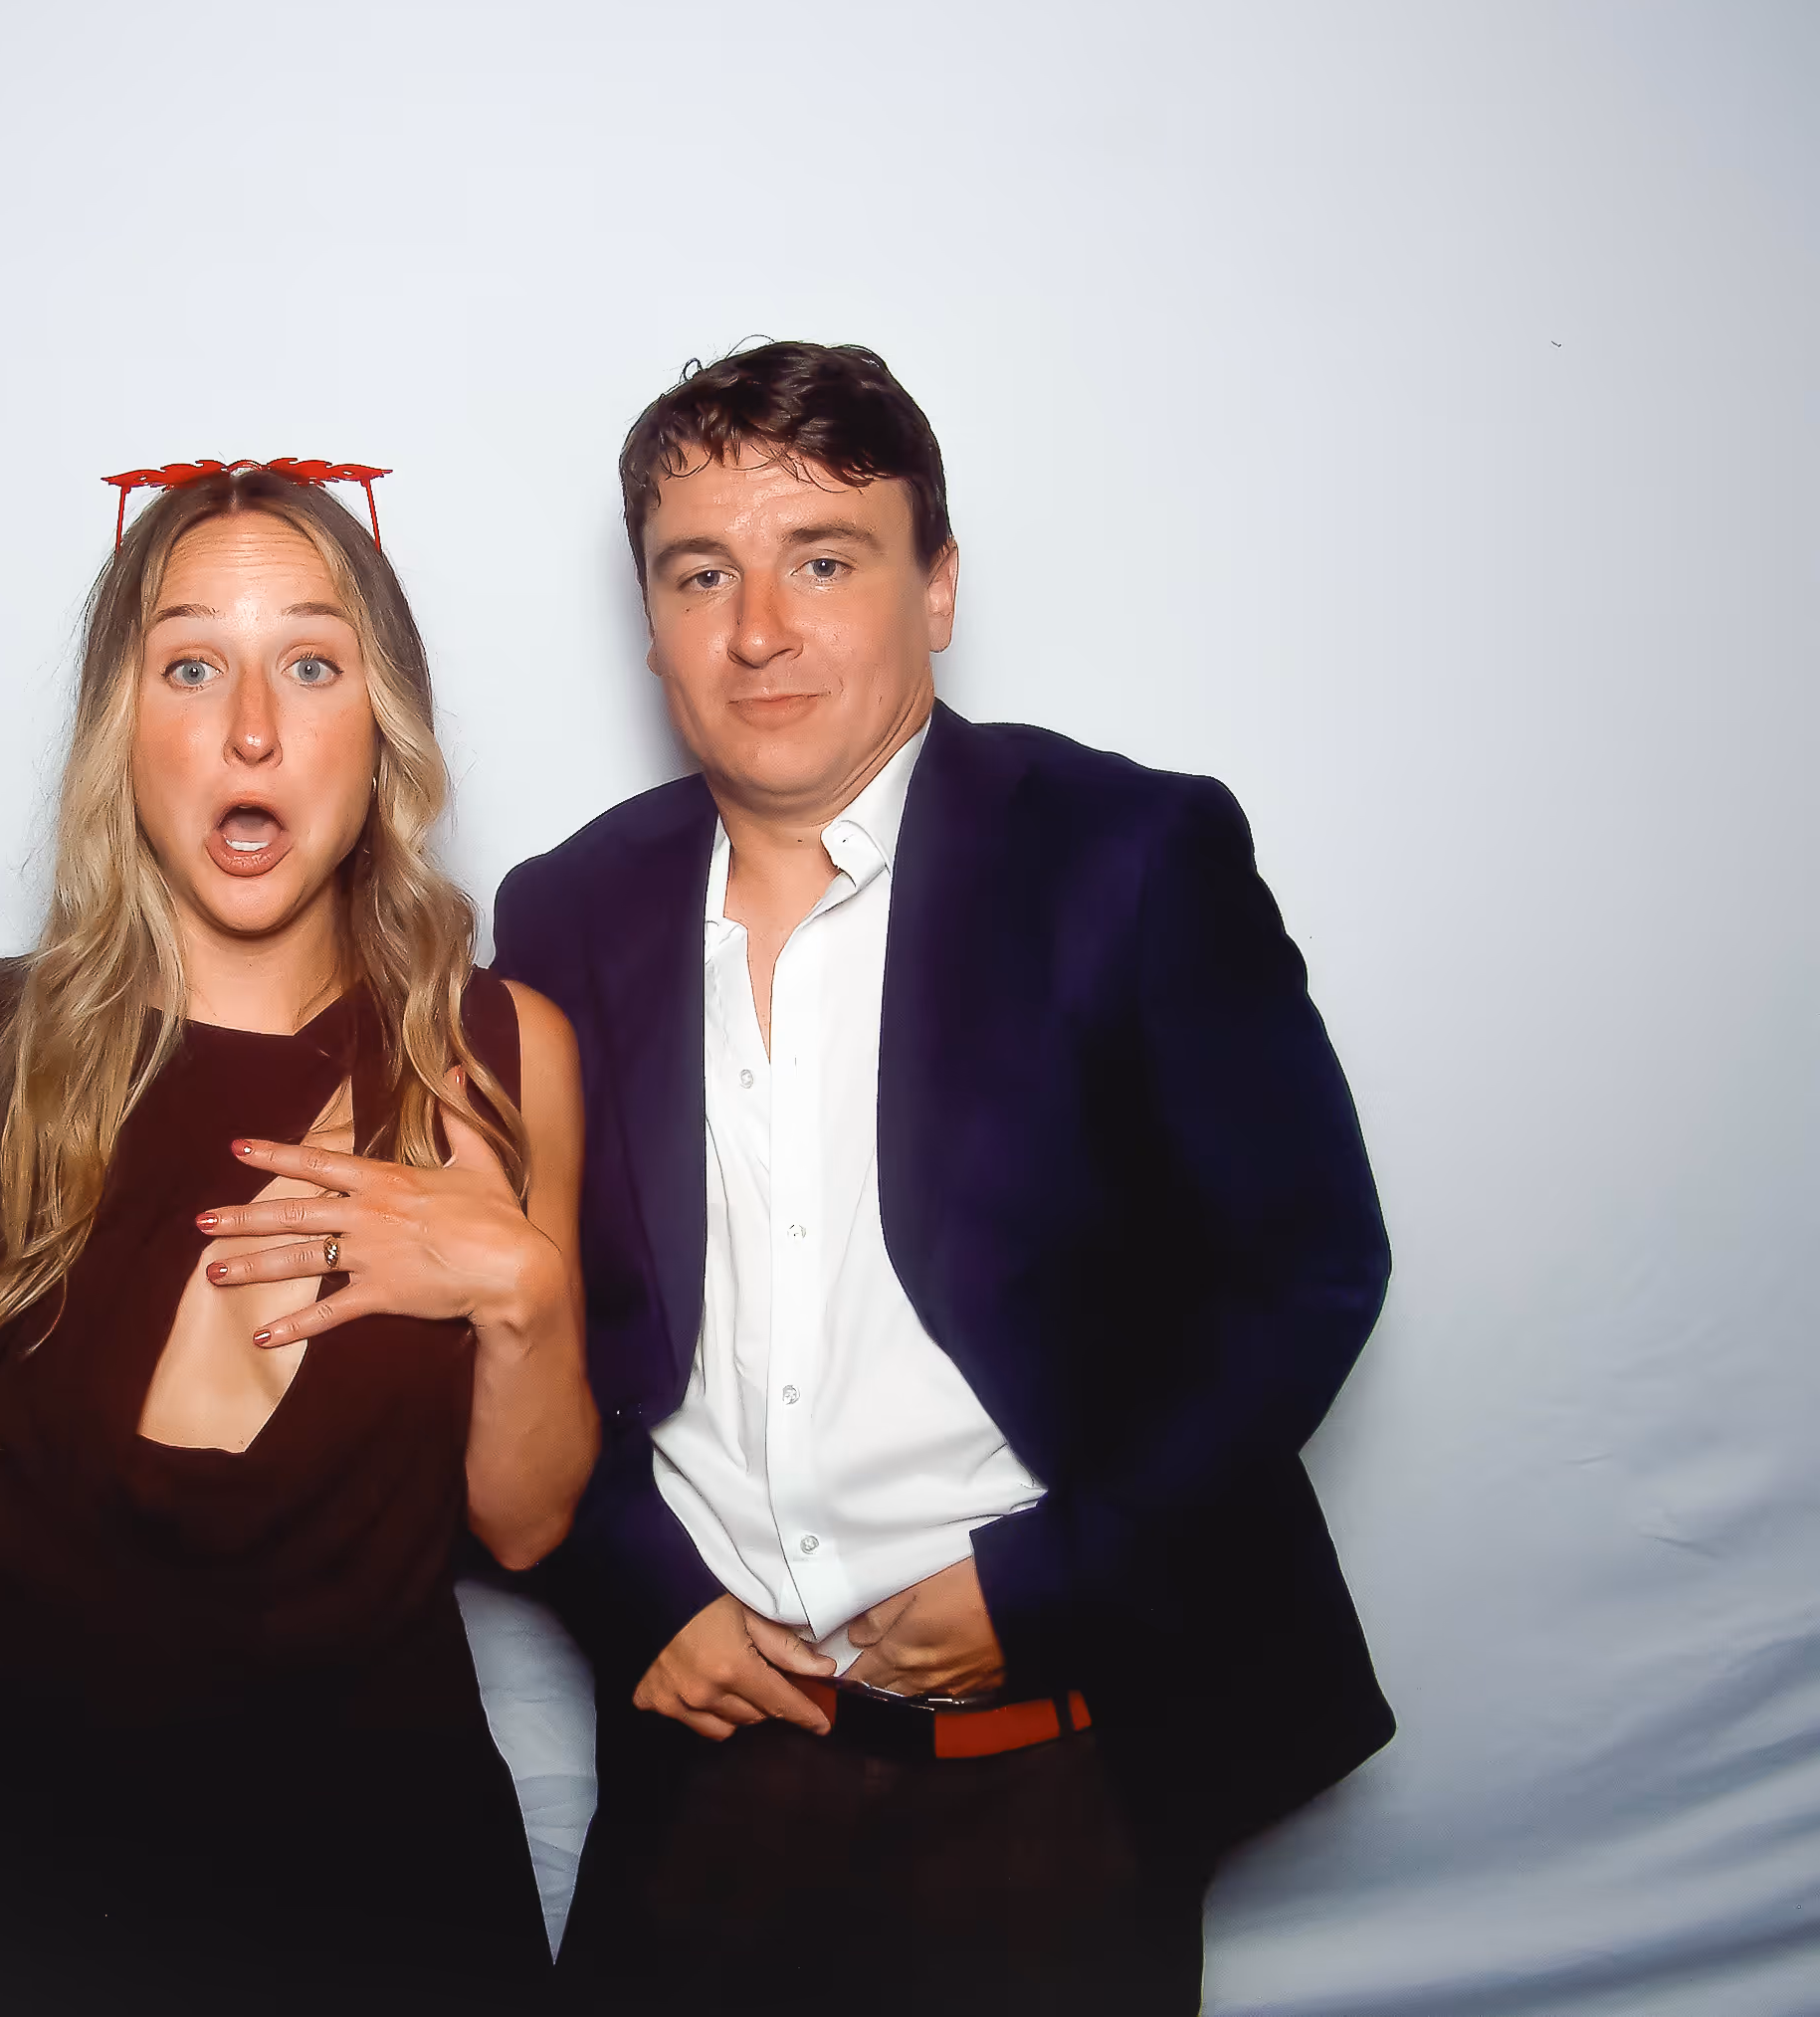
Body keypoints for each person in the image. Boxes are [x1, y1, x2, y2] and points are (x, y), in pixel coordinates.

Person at [493, 342, 1394, 2012]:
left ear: (940, 587)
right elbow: (523, 1314)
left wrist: (1052, 1585)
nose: (760, 627)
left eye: (825, 560)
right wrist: (637, 1594)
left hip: (1048, 1760)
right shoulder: (563, 911)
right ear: (652, 623)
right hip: (702, 1767)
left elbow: (1307, 1270)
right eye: (703, 573)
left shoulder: (1128, 854)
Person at [0, 462, 596, 2016]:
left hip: (387, 1891)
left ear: (381, 723)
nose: (251, 729)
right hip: (21, 1876)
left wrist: (523, 1290)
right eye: (191, 667)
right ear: (123, 724)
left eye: (310, 664)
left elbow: (523, 1528)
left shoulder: (500, 1055)